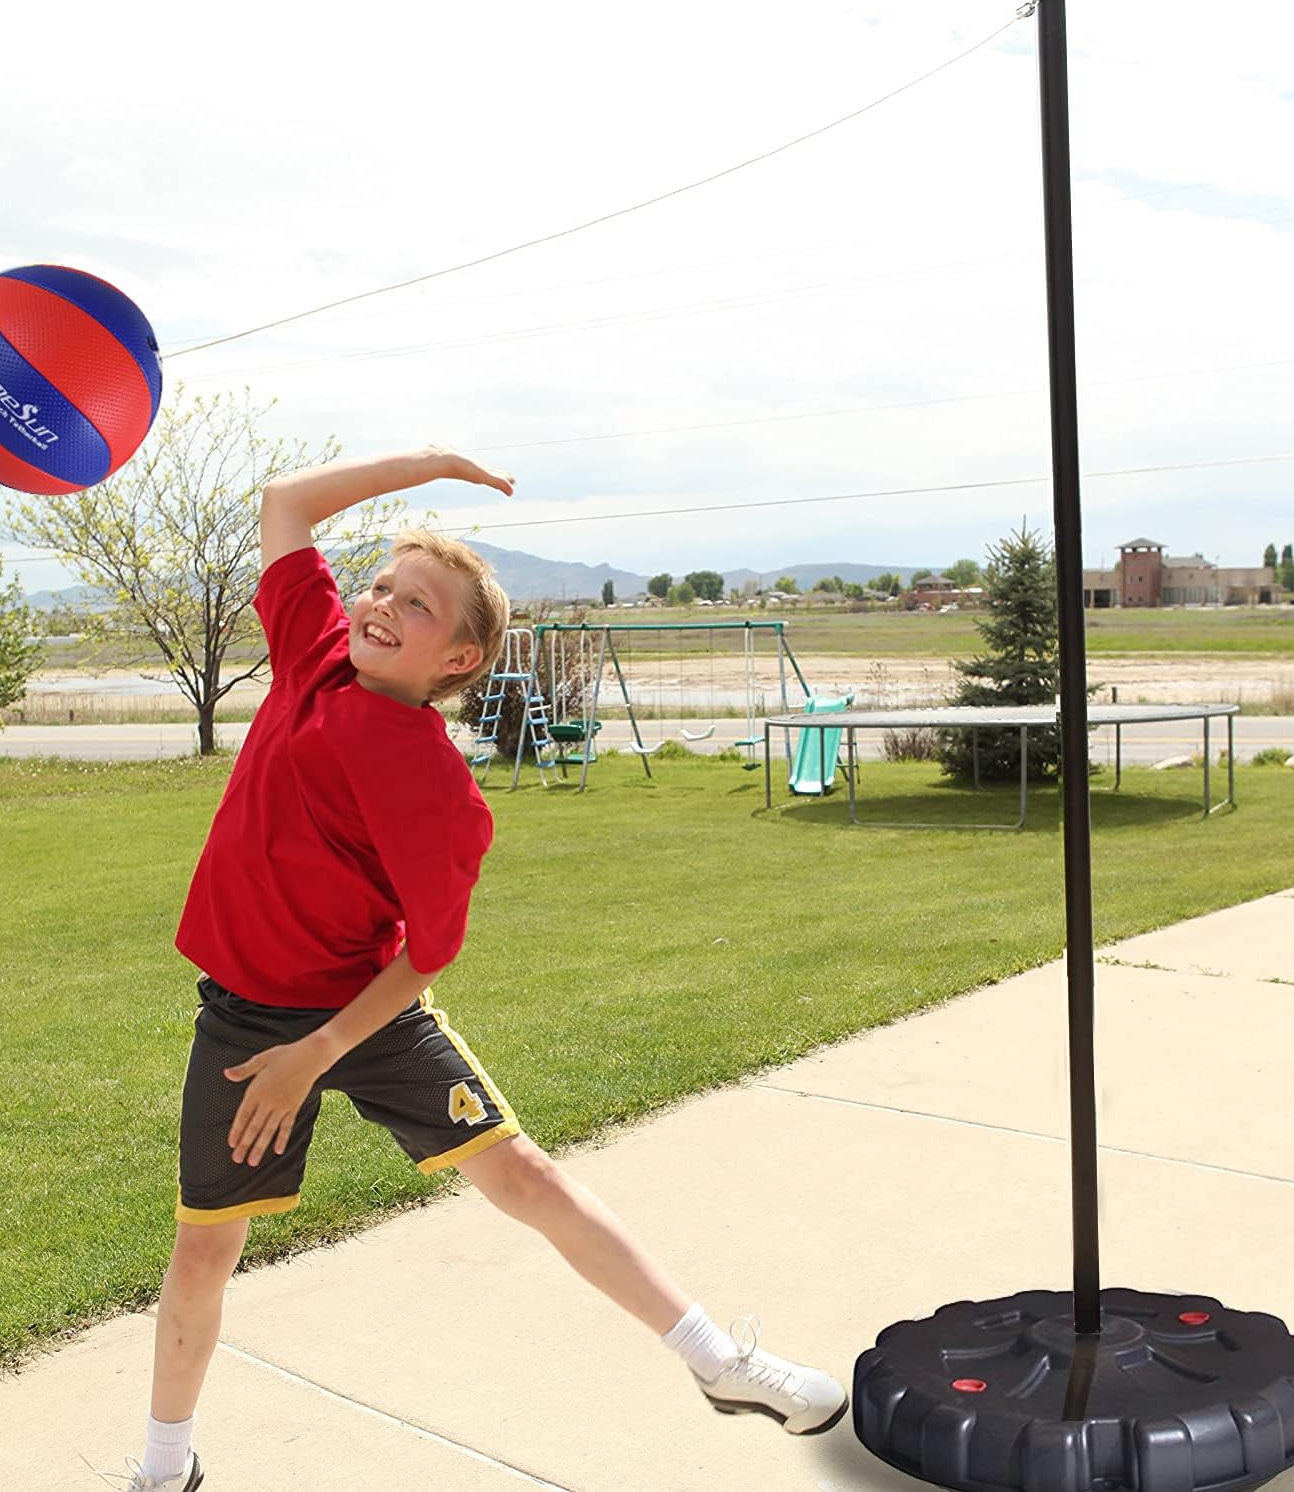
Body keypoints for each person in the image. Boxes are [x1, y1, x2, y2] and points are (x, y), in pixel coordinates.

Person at [115, 446, 847, 1491]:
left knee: (523, 1174)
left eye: (415, 606)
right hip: (247, 1025)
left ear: (457, 660)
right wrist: (429, 466)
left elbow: (429, 955)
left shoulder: (435, 785)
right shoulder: (311, 650)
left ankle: (719, 1363)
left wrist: (318, 1052)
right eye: (379, 584)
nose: (378, 604)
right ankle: (163, 1469)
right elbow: (285, 501)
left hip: (362, 1015)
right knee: (202, 1254)